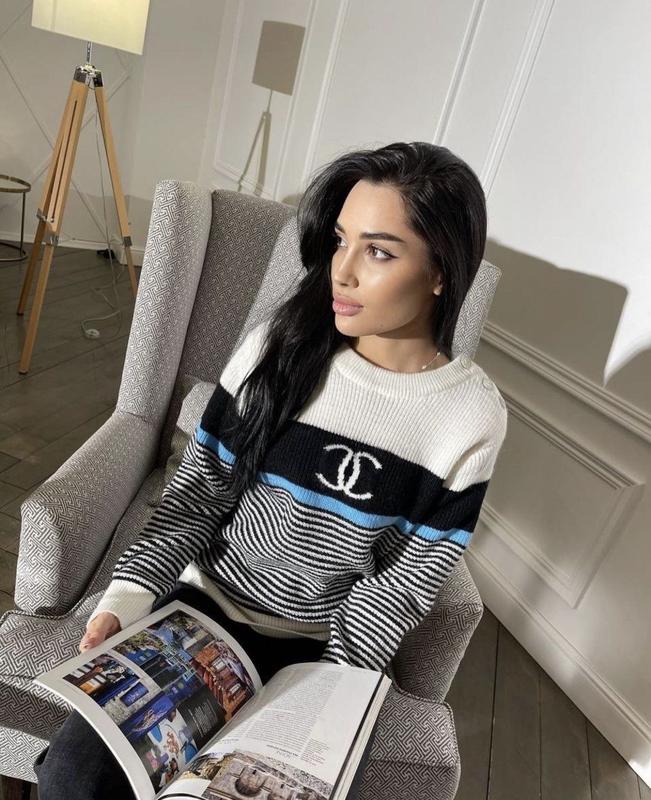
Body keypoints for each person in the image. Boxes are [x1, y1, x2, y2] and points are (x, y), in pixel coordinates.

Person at [34, 141, 508, 799]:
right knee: (73, 778)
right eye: (340, 241)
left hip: (319, 648)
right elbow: (199, 491)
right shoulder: (275, 348)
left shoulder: (468, 416)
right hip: (201, 612)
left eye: (378, 251)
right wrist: (128, 595)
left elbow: (406, 580)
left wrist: (330, 685)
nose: (342, 272)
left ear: (440, 272)